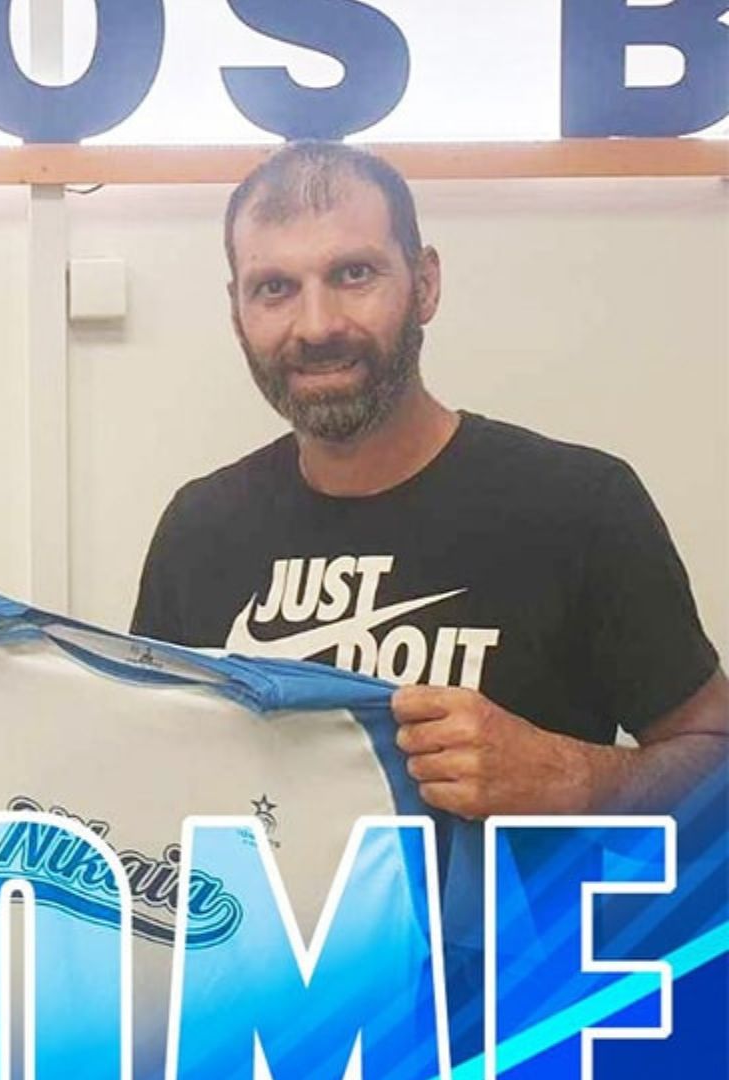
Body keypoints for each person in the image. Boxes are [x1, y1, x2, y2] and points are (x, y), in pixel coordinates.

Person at [130, 140, 726, 821]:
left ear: (425, 284)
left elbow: (715, 757)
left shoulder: (581, 505)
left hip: (517, 898)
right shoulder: (199, 528)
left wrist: (578, 778)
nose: (317, 326)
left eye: (354, 274)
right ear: (237, 312)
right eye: (275, 288)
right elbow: (154, 773)